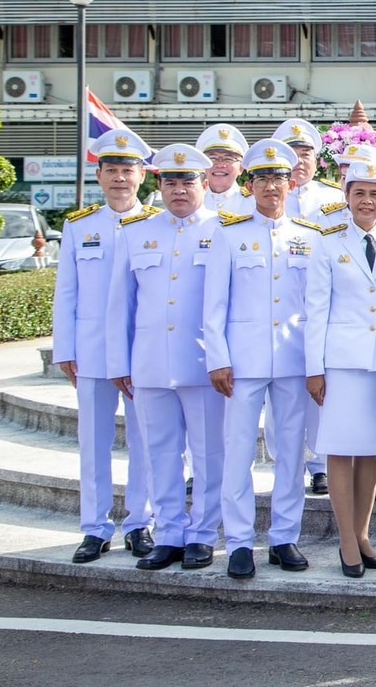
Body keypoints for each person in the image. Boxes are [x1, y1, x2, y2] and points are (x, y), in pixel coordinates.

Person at [204, 138, 322, 579]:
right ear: (249, 185)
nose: (271, 186)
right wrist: (218, 358)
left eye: (279, 178)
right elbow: (214, 305)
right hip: (242, 361)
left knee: (291, 452)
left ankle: (284, 537)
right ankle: (238, 541)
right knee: (239, 452)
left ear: (291, 184)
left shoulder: (309, 237)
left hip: (293, 359)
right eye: (263, 179)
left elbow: (315, 306)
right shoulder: (229, 234)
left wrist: (315, 363)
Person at [105, 144, 220, 571]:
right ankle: (169, 533)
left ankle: (203, 534)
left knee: (208, 455)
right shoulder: (137, 232)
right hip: (150, 362)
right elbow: (121, 304)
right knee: (160, 454)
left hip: (203, 364)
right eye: (170, 182)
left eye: (187, 181)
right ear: (160, 185)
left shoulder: (223, 230)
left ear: (204, 184)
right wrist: (119, 362)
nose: (179, 190)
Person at [53, 128, 158, 564]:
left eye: (127, 171)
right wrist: (65, 349)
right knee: (93, 443)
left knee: (146, 441)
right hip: (93, 351)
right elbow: (67, 292)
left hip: (142, 350)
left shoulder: (156, 225)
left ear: (141, 177)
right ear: (99, 176)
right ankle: (94, 528)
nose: (119, 178)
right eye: (111, 170)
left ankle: (140, 523)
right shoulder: (80, 226)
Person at [304, 159, 376, 577]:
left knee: (372, 452)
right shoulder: (328, 243)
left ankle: (363, 535)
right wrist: (314, 368)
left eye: (375, 194)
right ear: (346, 197)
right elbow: (316, 310)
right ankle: (346, 540)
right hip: (341, 364)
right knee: (341, 449)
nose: (367, 201)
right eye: (359, 193)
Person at [272, 118, 340, 496]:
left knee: (319, 396)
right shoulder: (260, 198)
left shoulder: (333, 199)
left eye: (306, 153)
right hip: (277, 316)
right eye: (292, 153)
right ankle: (286, 462)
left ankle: (320, 465)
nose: (299, 160)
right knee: (280, 402)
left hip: (320, 313)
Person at [195, 125, 251, 214]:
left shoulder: (254, 202)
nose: (220, 165)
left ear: (241, 168)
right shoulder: (192, 201)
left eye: (228, 159)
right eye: (213, 158)